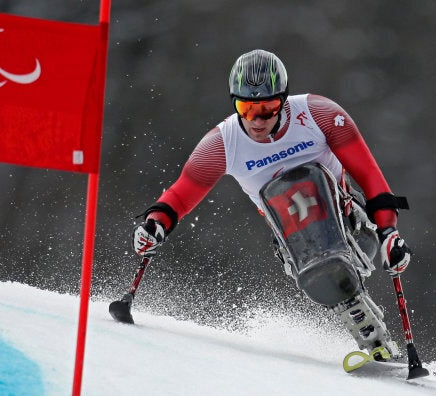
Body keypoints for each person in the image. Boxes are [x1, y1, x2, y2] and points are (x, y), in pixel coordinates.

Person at [131, 49, 412, 361]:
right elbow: (181, 195)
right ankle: (372, 337)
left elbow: (369, 173)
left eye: (268, 108)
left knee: (306, 179)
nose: (257, 120)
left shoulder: (318, 114)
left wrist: (389, 232)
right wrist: (155, 224)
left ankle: (370, 329)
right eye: (246, 108)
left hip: (351, 227)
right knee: (286, 194)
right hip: (297, 246)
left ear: (284, 99)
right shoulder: (223, 143)